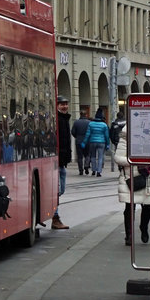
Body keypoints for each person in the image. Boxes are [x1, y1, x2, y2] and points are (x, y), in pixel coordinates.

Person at [115, 123, 150, 245]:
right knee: (129, 208)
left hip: (148, 177)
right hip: (132, 176)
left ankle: (144, 228)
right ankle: (129, 235)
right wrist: (133, 161)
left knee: (148, 206)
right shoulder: (125, 138)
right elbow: (118, 158)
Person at [52, 97, 71, 230]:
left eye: (66, 104)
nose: (64, 106)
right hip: (57, 160)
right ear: (57, 105)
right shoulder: (57, 119)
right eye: (62, 104)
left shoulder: (64, 119)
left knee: (60, 189)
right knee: (57, 190)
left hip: (62, 160)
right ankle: (55, 217)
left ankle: (55, 215)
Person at [84, 108, 110, 177]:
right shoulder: (104, 125)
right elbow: (106, 136)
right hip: (102, 142)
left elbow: (87, 134)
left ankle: (93, 170)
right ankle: (99, 171)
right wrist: (108, 144)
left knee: (93, 156)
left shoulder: (91, 124)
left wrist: (84, 142)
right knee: (100, 157)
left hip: (92, 142)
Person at [71, 107, 91, 175]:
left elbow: (73, 132)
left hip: (78, 141)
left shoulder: (76, 122)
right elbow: (91, 132)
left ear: (80, 114)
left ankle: (81, 170)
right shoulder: (89, 122)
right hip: (87, 141)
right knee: (87, 155)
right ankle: (86, 165)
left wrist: (77, 137)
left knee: (79, 156)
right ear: (86, 115)